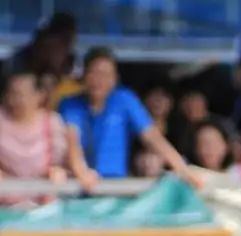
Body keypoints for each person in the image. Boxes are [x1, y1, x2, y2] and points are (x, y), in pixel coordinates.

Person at [60, 47, 189, 181]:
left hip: (116, 185)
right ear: (84, 75)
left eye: (105, 75)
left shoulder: (124, 100)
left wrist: (181, 167)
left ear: (115, 79)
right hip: (81, 184)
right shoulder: (70, 105)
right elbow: (72, 140)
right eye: (94, 73)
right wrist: (81, 170)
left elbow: (152, 136)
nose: (99, 80)